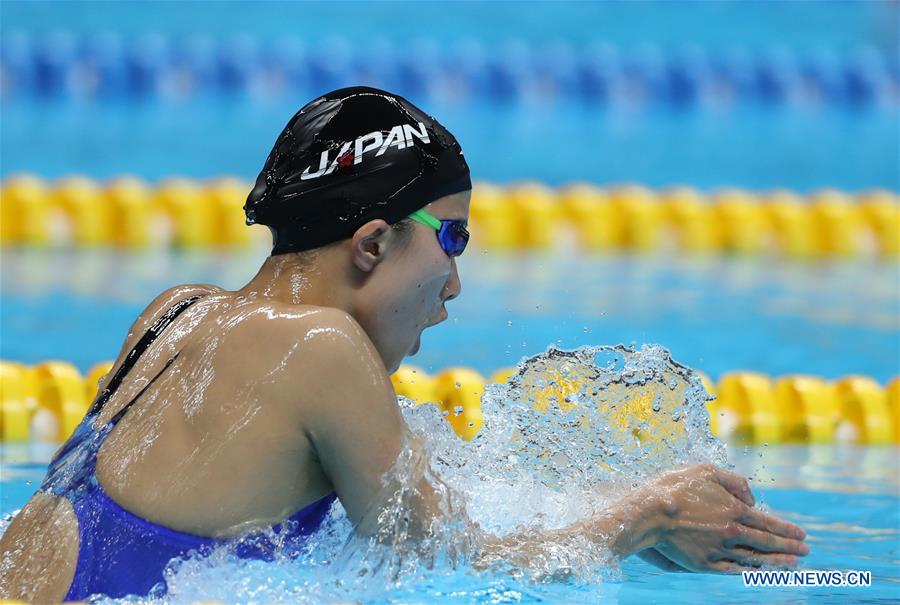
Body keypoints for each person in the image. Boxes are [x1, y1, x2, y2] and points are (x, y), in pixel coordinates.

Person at [0, 86, 809, 603]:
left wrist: (603, 525)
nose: (454, 283)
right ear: (374, 242)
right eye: (451, 238)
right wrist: (649, 511)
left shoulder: (174, 314)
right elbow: (445, 563)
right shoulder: (321, 347)